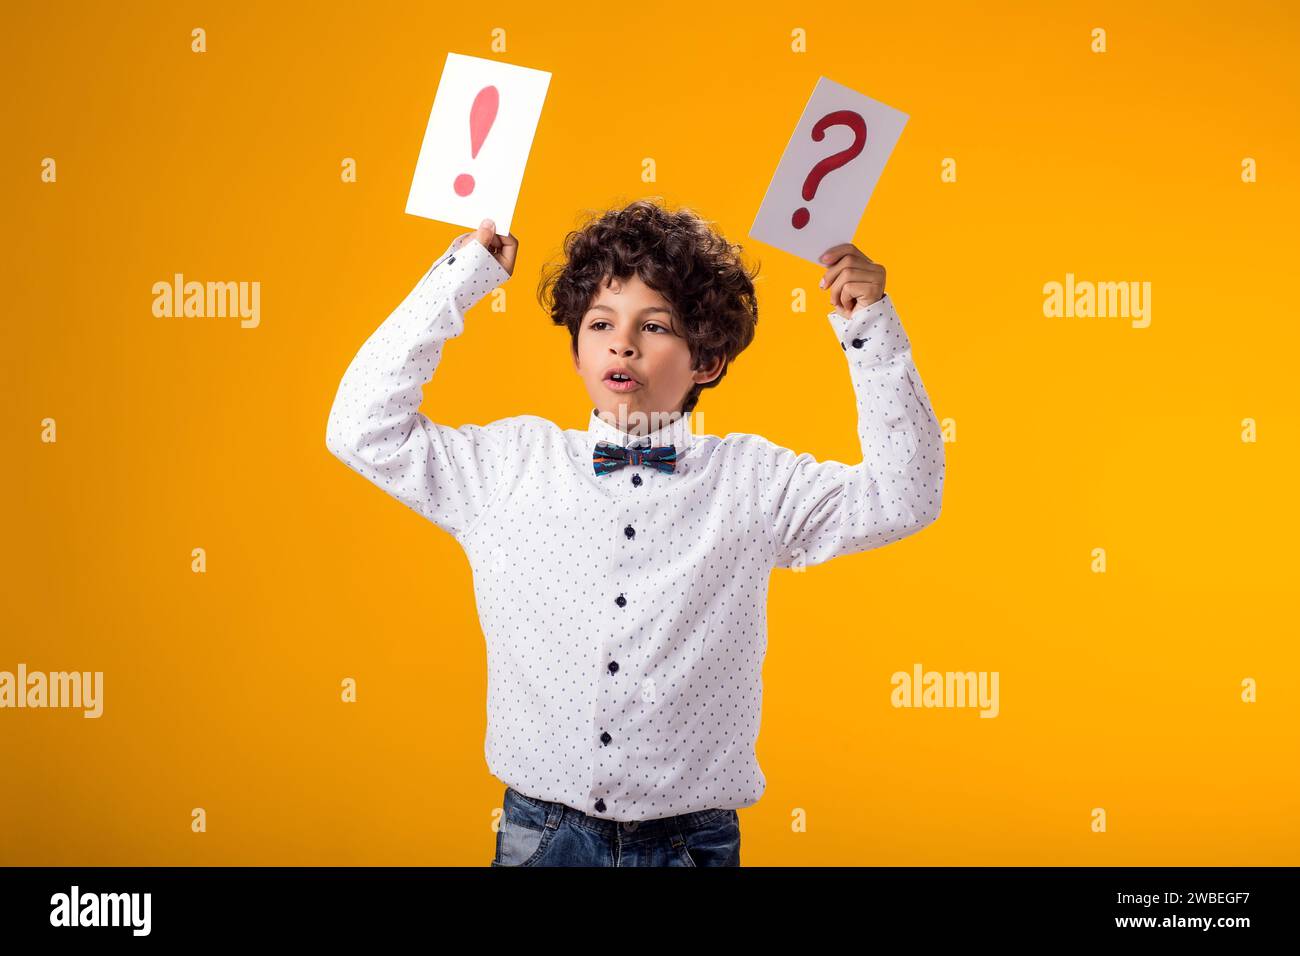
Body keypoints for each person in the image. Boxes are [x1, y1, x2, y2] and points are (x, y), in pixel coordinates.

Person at [325, 199, 945, 866]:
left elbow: (902, 496)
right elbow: (361, 427)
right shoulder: (504, 469)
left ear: (706, 361)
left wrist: (871, 332)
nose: (622, 343)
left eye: (654, 326)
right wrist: (464, 274)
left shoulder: (753, 483)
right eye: (600, 323)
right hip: (540, 837)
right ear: (576, 350)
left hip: (691, 841)